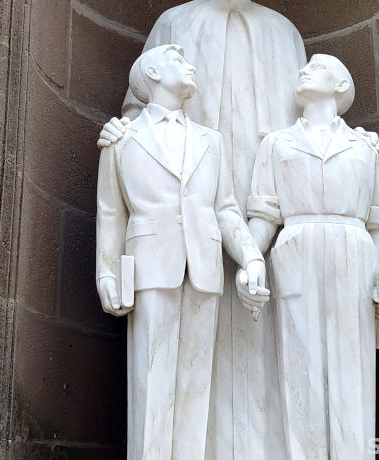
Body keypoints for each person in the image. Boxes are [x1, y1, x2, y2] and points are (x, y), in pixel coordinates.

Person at [97, 0, 379, 458]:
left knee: (271, 348)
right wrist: (118, 131)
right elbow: (138, 113)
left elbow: (314, 122)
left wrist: (361, 149)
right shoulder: (174, 27)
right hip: (194, 216)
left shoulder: (284, 33)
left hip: (268, 219)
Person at [95, 44, 268, 460]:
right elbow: (110, 212)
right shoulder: (121, 138)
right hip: (151, 266)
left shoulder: (211, 140)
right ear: (152, 70)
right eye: (179, 59)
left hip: (204, 266)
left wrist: (251, 257)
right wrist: (106, 273)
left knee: (196, 385)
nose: (191, 66)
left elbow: (225, 209)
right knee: (152, 383)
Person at [246, 54, 379, 459]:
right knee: (300, 377)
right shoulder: (275, 143)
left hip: (354, 254)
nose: (303, 70)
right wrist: (249, 260)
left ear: (339, 84)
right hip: (295, 253)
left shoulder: (365, 148)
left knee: (353, 375)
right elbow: (263, 219)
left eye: (315, 67)